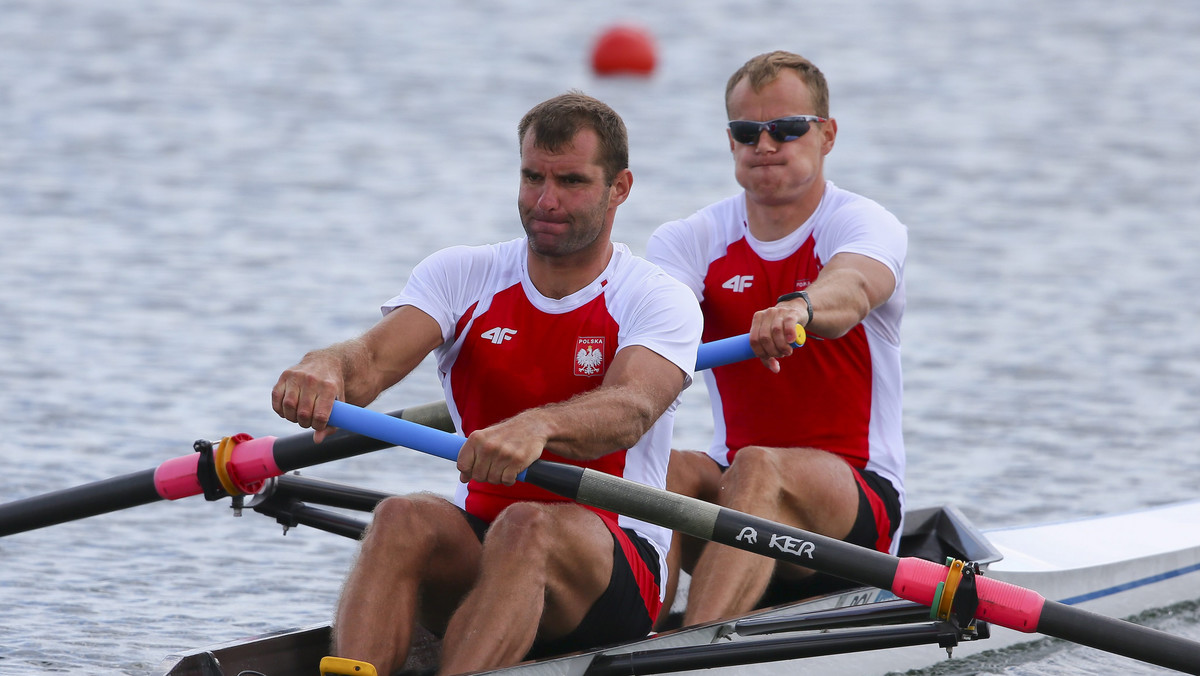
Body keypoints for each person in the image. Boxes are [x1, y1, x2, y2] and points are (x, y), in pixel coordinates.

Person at [272, 92, 702, 676]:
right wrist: (327, 366)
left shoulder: (656, 297)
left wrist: (539, 425)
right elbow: (369, 363)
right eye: (532, 177)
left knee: (527, 526)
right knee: (401, 516)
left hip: (612, 560)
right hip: (484, 536)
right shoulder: (462, 274)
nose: (546, 201)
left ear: (619, 188)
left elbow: (631, 408)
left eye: (571, 181)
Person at [645, 50, 907, 627]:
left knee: (760, 466)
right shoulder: (690, 240)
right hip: (737, 483)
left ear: (827, 135)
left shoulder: (863, 223)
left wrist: (800, 307)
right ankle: (630, 632)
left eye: (787, 129)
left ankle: (688, 653)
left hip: (856, 504)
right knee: (656, 471)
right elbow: (651, 328)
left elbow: (854, 289)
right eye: (746, 131)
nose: (764, 145)